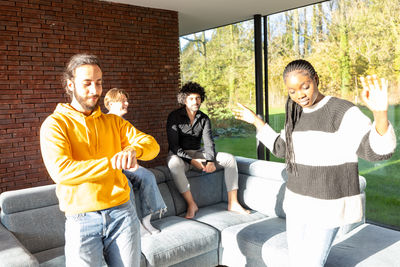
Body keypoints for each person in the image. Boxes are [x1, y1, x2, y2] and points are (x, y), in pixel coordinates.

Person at [233, 59, 396, 267]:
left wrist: (380, 114)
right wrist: (256, 121)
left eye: (305, 86)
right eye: (292, 91)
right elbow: (282, 148)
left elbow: (376, 152)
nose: (300, 95)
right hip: (296, 205)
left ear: (316, 79)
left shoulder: (341, 111)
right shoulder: (295, 114)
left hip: (327, 208)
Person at [40, 54, 160, 267]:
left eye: (99, 83)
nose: (95, 91)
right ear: (70, 84)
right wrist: (113, 162)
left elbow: (152, 147)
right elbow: (62, 171)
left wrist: (133, 149)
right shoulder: (55, 124)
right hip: (81, 219)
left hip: (122, 213)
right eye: (87, 84)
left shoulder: (114, 122)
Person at [166, 81, 249, 219]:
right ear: (184, 100)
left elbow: (209, 142)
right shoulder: (174, 117)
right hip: (180, 156)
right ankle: (191, 204)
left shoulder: (204, 118)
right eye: (191, 98)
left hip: (198, 153)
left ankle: (233, 202)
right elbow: (174, 146)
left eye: (198, 98)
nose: (195, 101)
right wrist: (192, 161)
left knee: (229, 159)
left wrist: (210, 161)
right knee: (173, 164)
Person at [104, 88, 167, 236]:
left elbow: (140, 143)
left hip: (127, 166)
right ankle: (135, 224)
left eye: (126, 100)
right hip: (112, 168)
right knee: (126, 184)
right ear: (111, 103)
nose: (127, 103)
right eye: (122, 101)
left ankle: (146, 220)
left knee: (148, 176)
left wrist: (133, 154)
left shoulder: (124, 123)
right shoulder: (104, 122)